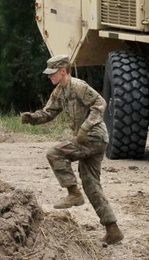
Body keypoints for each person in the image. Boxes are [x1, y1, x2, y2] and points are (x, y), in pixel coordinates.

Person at [20, 54, 123, 245]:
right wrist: (32, 118)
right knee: (91, 185)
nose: (49, 77)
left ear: (62, 71)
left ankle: (73, 193)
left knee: (54, 153)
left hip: (93, 138)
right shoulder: (59, 92)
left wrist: (85, 127)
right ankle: (113, 229)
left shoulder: (78, 86)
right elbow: (49, 113)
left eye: (52, 73)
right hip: (90, 140)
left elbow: (100, 103)